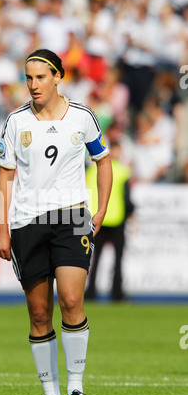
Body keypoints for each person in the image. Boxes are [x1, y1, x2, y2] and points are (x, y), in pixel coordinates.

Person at [0, 49, 112, 395]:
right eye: (28, 78)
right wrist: (1, 227)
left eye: (40, 77)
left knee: (72, 300)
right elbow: (5, 174)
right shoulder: (15, 121)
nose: (33, 85)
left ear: (58, 76)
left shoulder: (82, 117)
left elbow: (103, 161)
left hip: (74, 216)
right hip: (26, 221)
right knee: (39, 312)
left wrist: (102, 208)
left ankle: (76, 391)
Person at [85, 125, 134, 302]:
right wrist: (131, 214)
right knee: (118, 260)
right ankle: (117, 294)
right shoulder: (122, 171)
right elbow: (126, 197)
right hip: (117, 219)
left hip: (97, 218)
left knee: (94, 259)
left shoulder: (92, 170)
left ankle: (90, 293)